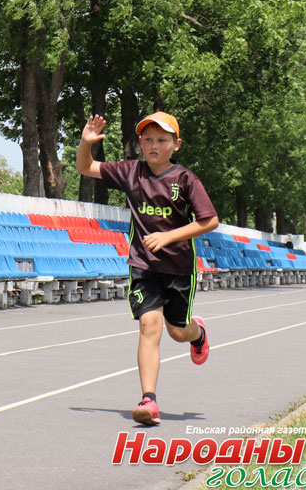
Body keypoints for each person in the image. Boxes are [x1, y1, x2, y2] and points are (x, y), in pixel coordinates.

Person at [76, 112, 218, 426]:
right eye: (148, 139)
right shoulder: (131, 172)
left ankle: (197, 333)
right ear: (140, 142)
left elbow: (210, 220)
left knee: (177, 331)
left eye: (162, 140)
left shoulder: (186, 180)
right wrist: (86, 143)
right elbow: (86, 167)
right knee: (148, 326)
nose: (154, 145)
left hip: (178, 268)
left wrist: (169, 236)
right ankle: (148, 401)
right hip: (143, 266)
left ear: (176, 145)